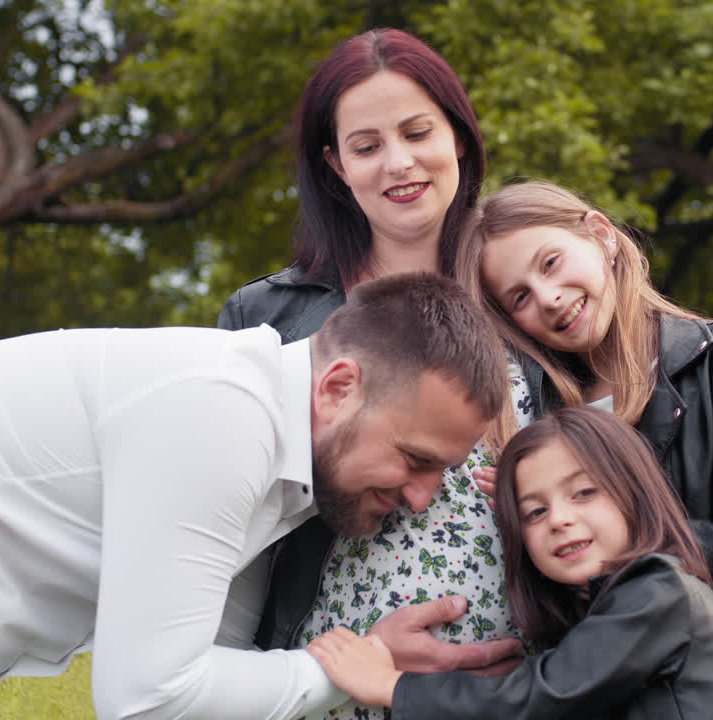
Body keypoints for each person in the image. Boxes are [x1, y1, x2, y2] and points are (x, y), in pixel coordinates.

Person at [0, 273, 515, 720]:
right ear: (338, 388)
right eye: (415, 459)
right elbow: (147, 697)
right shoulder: (221, 414)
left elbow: (208, 670)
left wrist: (370, 660)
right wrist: (344, 670)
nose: (424, 498)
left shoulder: (281, 466)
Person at [217, 28, 530, 720]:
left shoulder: (529, 293)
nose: (399, 163)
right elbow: (224, 535)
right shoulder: (271, 317)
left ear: (459, 136)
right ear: (335, 166)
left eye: (418, 132)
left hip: (520, 690)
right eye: (366, 146)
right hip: (331, 685)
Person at [458, 181, 713, 720]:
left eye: (550, 263)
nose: (547, 297)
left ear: (601, 236)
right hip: (626, 684)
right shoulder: (541, 418)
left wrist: (608, 564)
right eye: (519, 296)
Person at [309, 407, 713, 719]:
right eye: (534, 511)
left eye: (584, 492)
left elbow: (544, 697)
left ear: (637, 492)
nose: (560, 520)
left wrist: (392, 687)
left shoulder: (658, 590)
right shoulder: (610, 607)